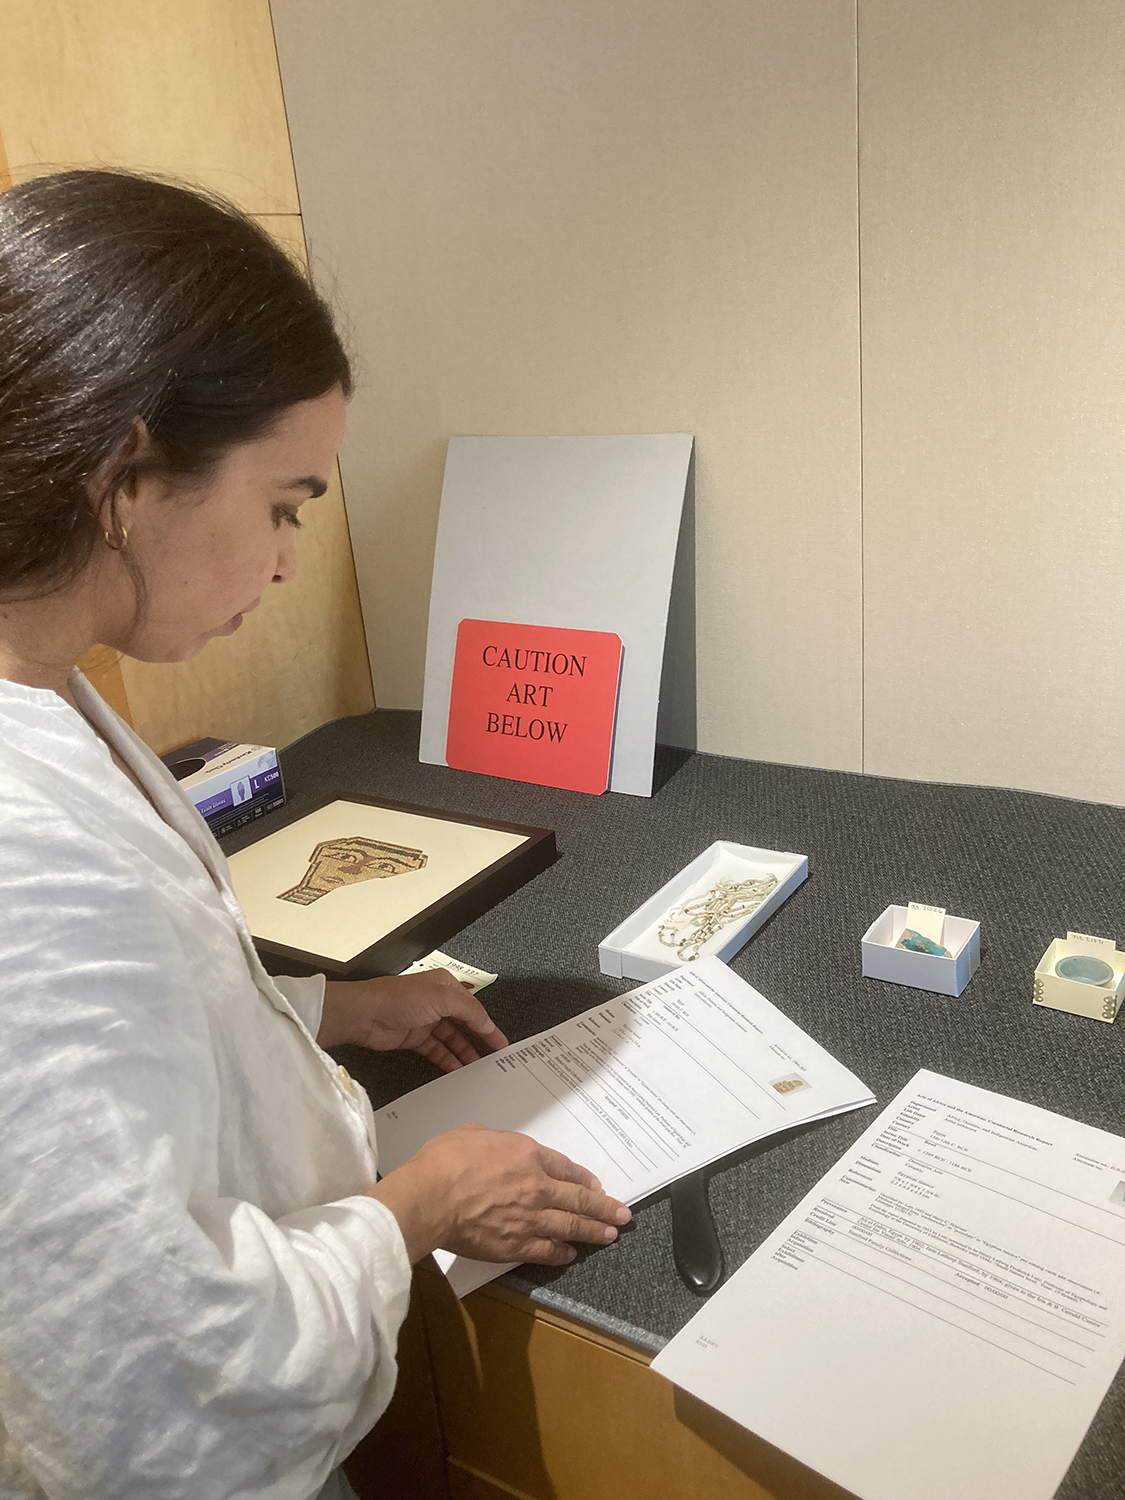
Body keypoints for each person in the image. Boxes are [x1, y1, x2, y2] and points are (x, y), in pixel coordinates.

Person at [0, 170, 630, 1500]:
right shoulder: (28, 860)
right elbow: (150, 1382)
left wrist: (325, 1006)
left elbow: (94, 1049)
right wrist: (423, 1205)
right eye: (285, 501)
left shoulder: (44, 694)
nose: (289, 559)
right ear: (129, 473)